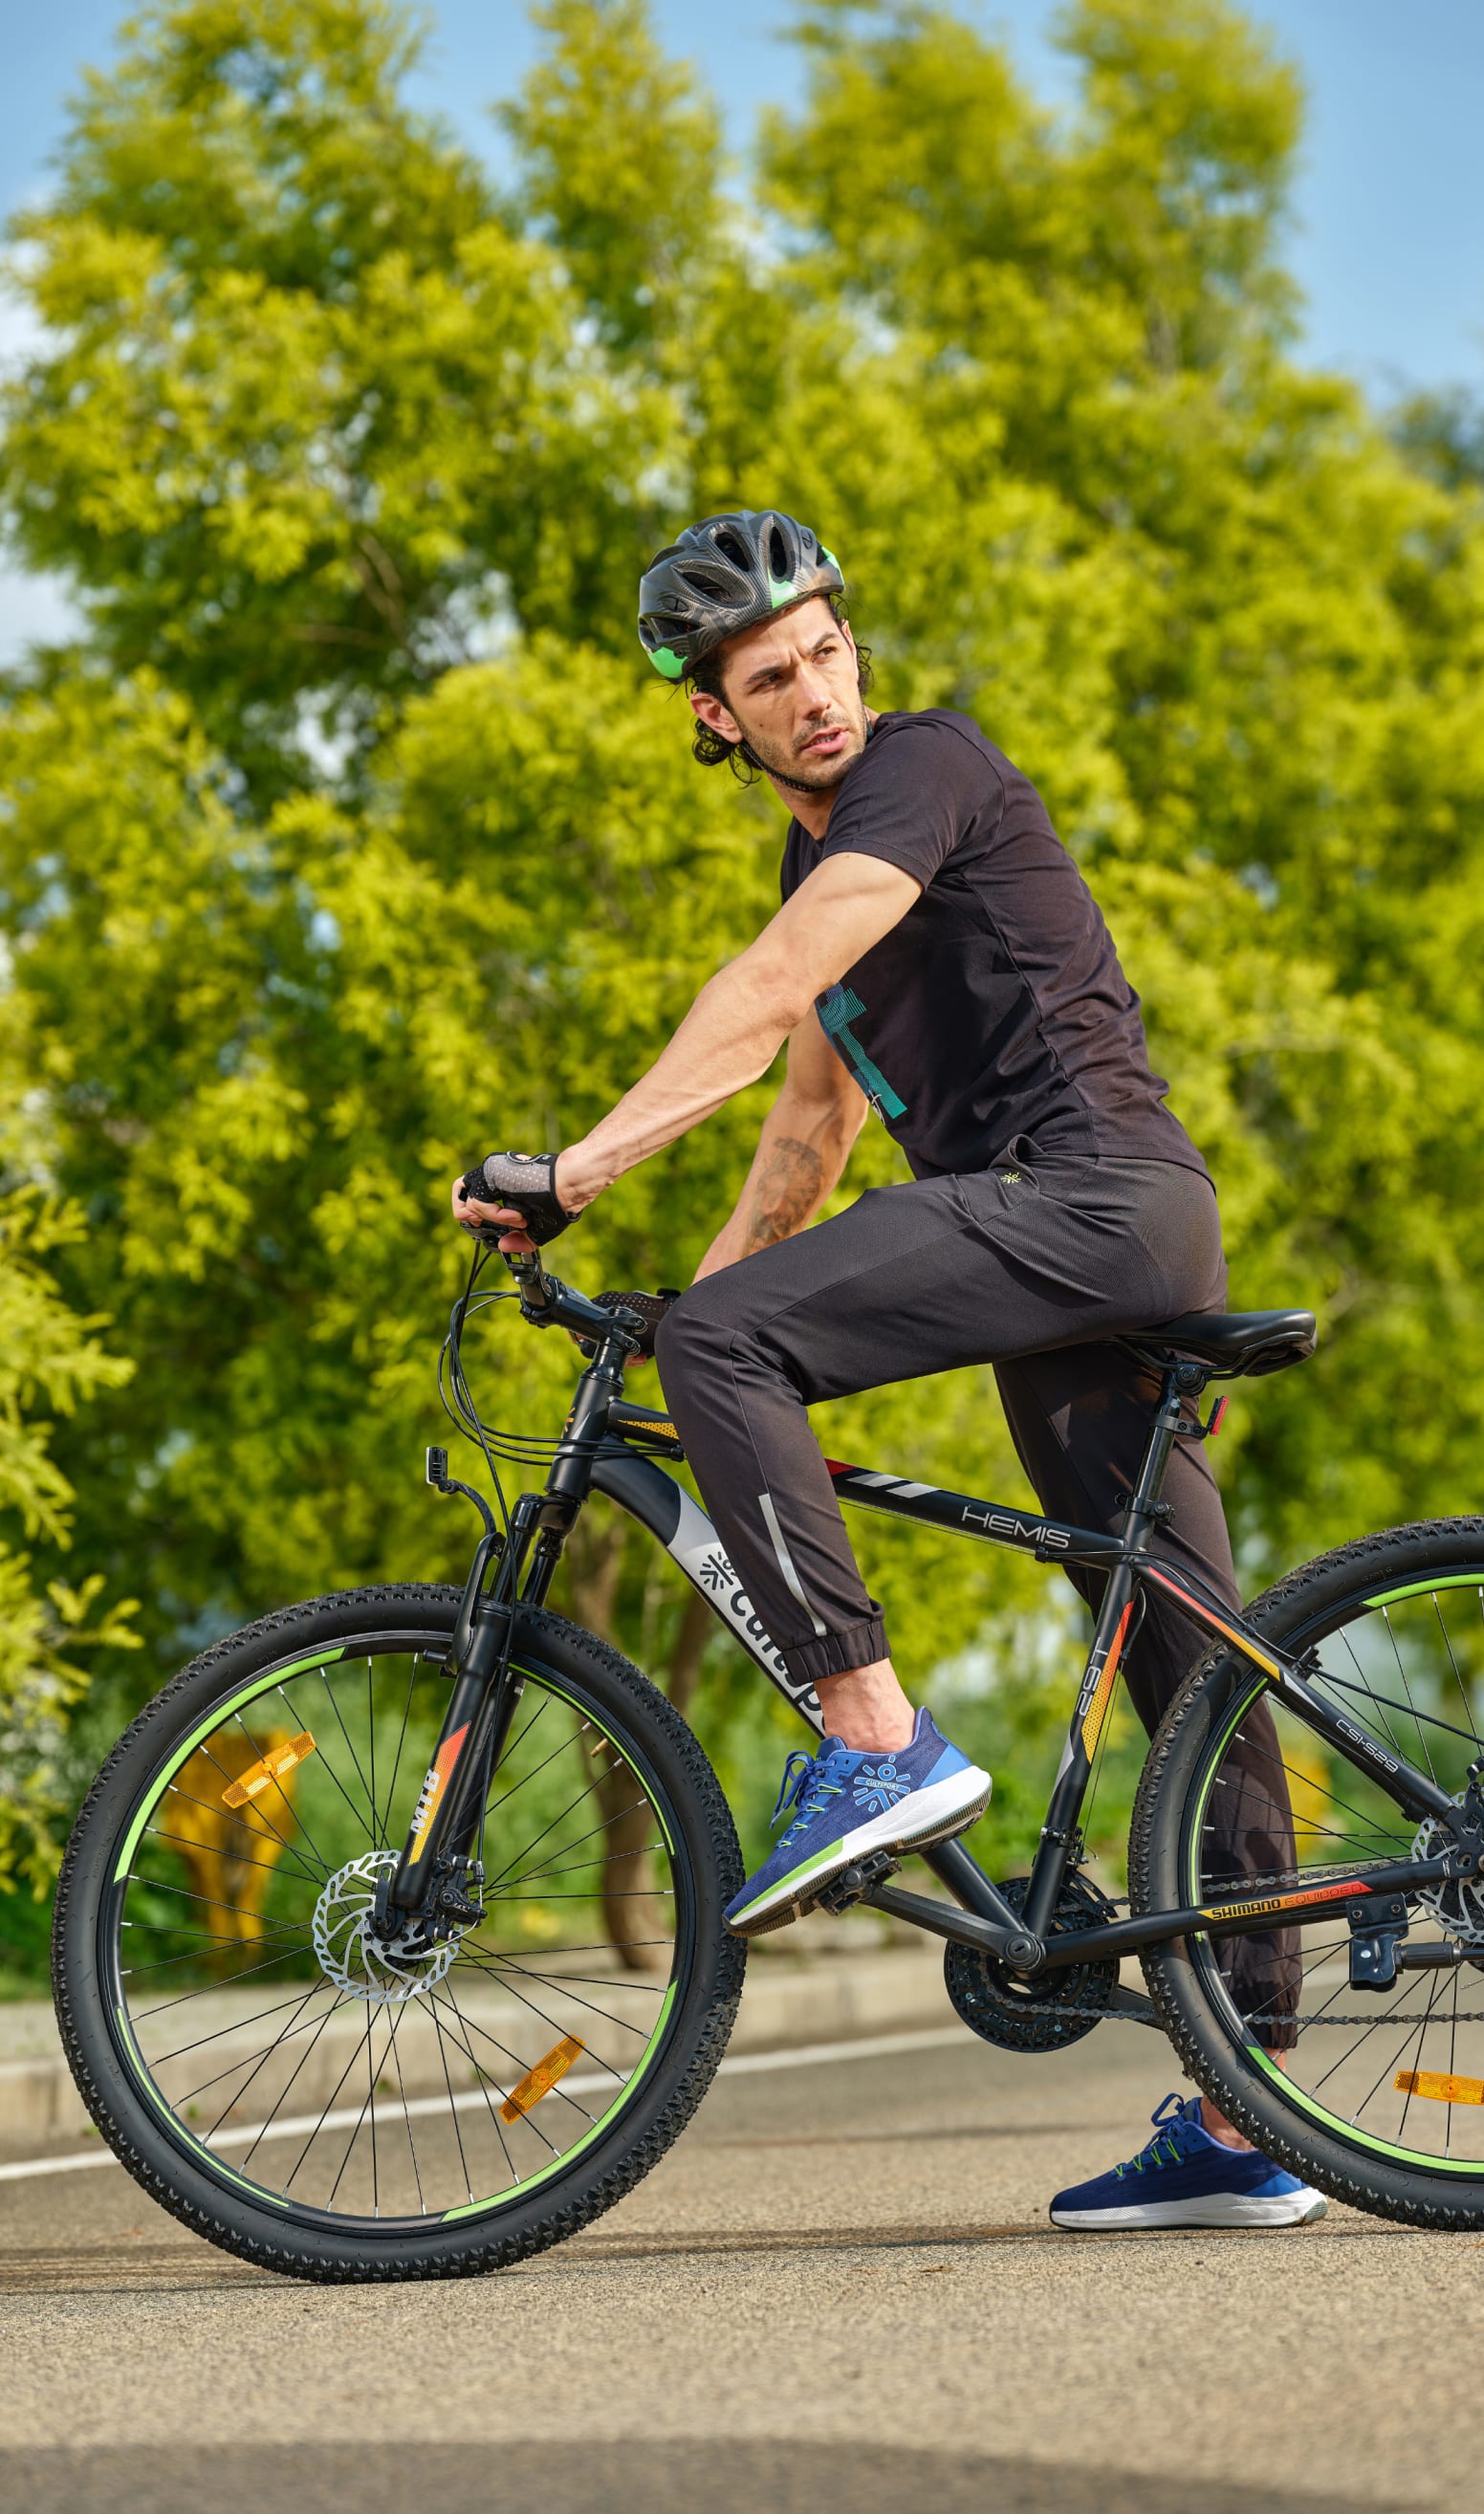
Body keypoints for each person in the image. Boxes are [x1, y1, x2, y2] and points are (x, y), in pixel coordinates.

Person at [454, 509, 1325, 2233]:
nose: (817, 691)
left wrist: (580, 1172)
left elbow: (776, 982)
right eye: (772, 677)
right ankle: (1257, 2118)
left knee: (734, 1350)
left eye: (827, 650)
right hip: (1096, 1251)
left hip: (1087, 1200)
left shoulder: (925, 770)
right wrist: (689, 1311)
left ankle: (876, 1741)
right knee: (1189, 1661)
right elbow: (810, 1127)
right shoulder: (826, 870)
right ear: (715, 715)